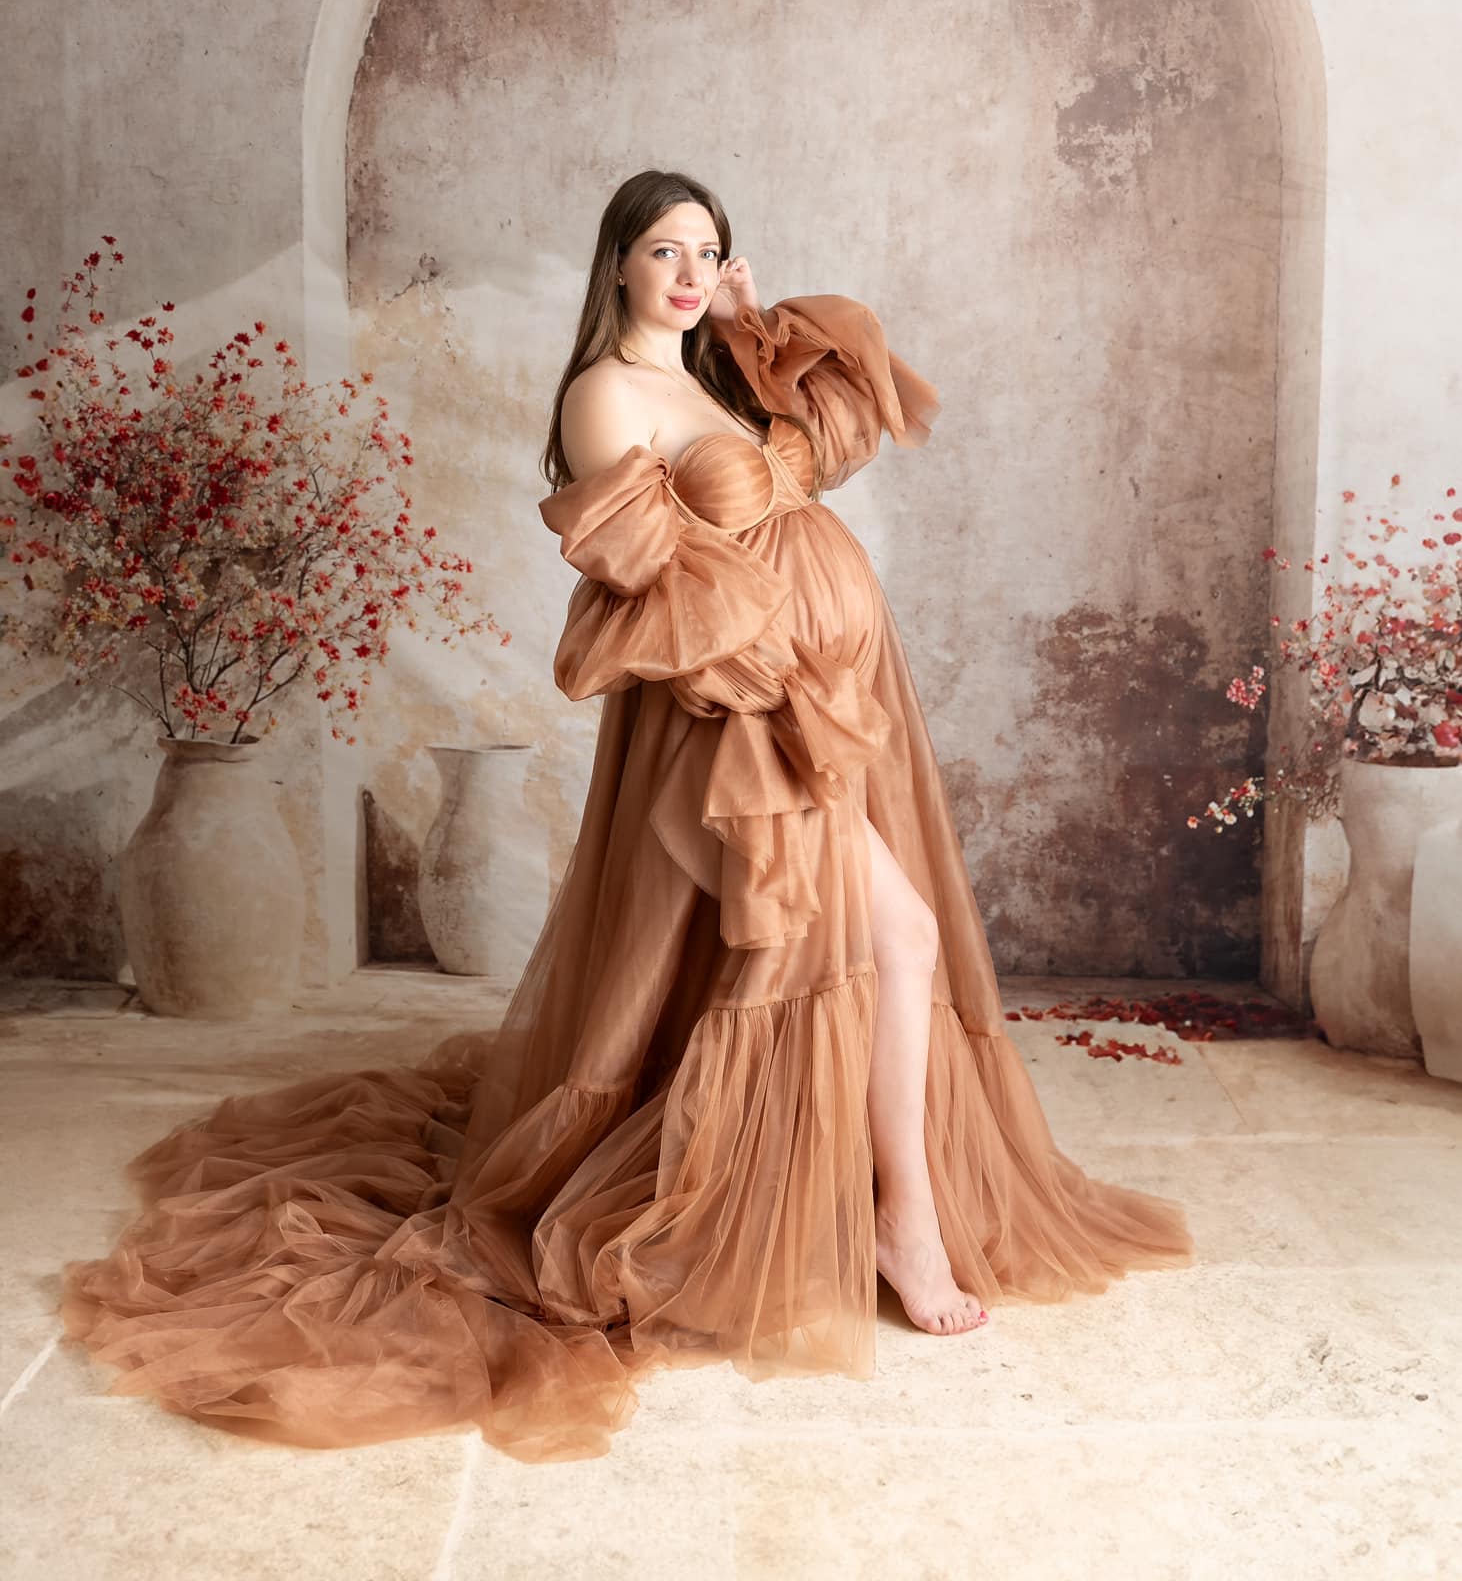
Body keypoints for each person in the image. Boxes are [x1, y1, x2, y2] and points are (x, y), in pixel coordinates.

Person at [59, 168, 1196, 1463]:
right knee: (880, 945)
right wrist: (773, 698)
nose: (689, 271)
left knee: (866, 949)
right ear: (616, 265)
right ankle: (898, 1222)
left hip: (815, 695)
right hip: (737, 717)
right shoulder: (604, 396)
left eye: (708, 250)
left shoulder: (718, 374)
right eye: (666, 250)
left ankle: (877, 1202)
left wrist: (760, 327)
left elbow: (828, 440)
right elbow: (653, 582)